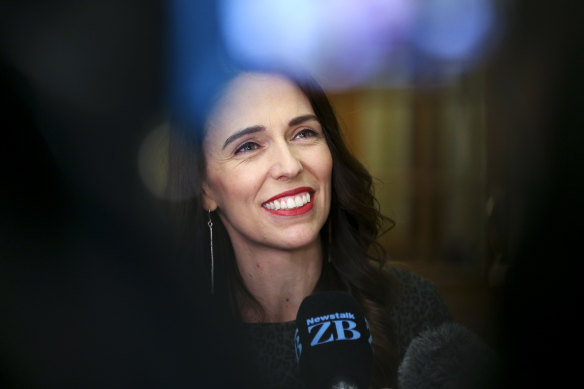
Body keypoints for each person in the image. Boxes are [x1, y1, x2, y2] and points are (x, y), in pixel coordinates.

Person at [165, 69, 492, 389]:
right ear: (205, 188)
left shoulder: (413, 308)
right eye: (248, 146)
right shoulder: (168, 341)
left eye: (304, 133)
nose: (290, 166)